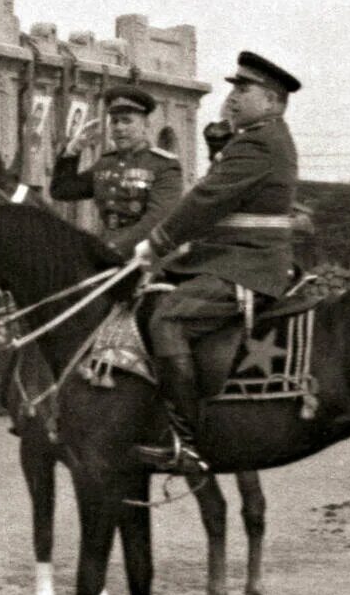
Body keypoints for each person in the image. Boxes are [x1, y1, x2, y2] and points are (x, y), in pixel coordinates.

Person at [133, 52, 302, 474]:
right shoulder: (258, 137)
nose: (232, 98)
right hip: (231, 258)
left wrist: (156, 243)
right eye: (233, 88)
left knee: (167, 320)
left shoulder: (261, 140)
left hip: (247, 265)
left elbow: (208, 200)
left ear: (273, 102)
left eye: (244, 90)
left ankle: (191, 441)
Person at [49, 85, 183, 254]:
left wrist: (116, 248)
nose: (119, 127)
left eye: (127, 120)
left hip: (144, 254)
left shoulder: (163, 165)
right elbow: (61, 191)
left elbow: (158, 219)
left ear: (146, 124)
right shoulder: (106, 163)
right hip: (105, 248)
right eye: (115, 121)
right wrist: (72, 150)